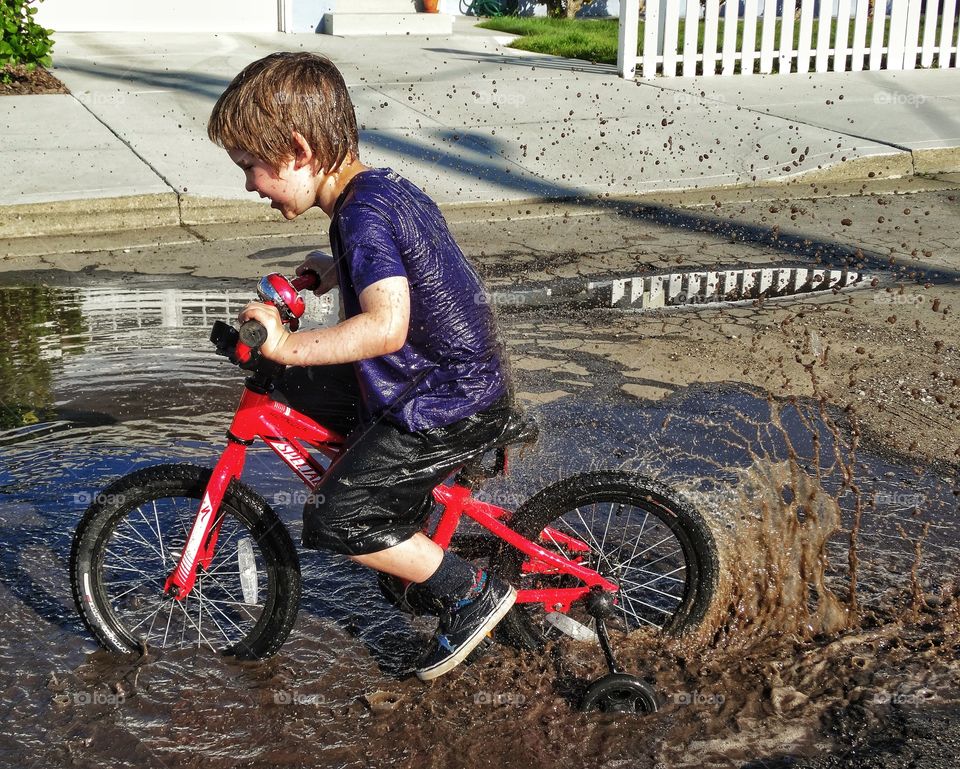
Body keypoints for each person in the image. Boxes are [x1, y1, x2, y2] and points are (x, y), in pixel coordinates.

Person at [208, 51, 517, 681]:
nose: (248, 185)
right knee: (299, 389)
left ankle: (470, 590)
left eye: (251, 167)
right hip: (447, 379)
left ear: (296, 150)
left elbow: (386, 325)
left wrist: (288, 345)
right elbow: (398, 258)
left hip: (441, 401)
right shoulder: (377, 190)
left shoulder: (361, 215)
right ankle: (409, 527)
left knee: (335, 515)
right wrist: (331, 269)